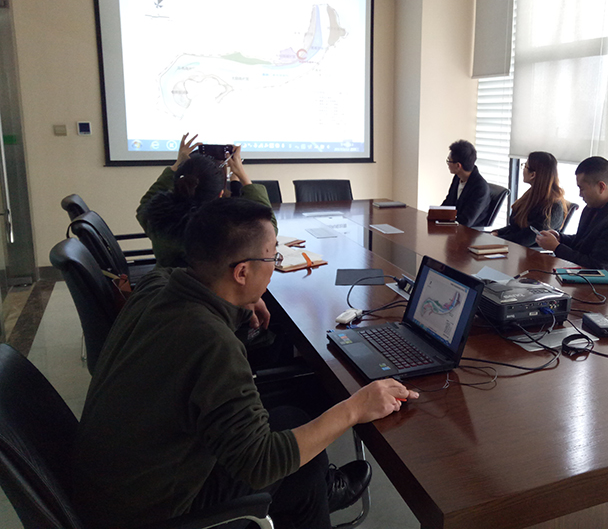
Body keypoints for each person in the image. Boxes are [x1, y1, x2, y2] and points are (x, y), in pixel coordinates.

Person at [71, 197, 418, 529]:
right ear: (241, 272)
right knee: (300, 461)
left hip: (109, 484)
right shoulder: (212, 343)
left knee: (292, 421)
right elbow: (262, 463)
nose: (274, 265)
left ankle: (317, 493)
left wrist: (241, 301)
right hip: (155, 513)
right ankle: (317, 493)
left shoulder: (156, 285)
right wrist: (355, 408)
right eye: (273, 257)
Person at [137, 133, 276, 267]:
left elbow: (147, 202)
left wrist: (177, 163)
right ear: (220, 194)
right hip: (212, 285)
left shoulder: (157, 217)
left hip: (166, 282)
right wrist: (241, 174)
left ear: (179, 184)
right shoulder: (225, 229)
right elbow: (267, 230)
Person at [536, 156, 608, 280]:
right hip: (581, 277)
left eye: (582, 188)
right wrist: (560, 238)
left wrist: (556, 247)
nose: (580, 194)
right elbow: (584, 241)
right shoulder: (595, 205)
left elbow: (596, 268)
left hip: (606, 285)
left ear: (601, 187)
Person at [493, 151, 568, 247]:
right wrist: (497, 233)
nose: (523, 170)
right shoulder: (531, 195)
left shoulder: (553, 207)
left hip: (527, 253)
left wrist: (498, 239)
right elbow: (515, 227)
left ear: (533, 175)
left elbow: (526, 238)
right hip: (514, 248)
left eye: (525, 166)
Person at [442, 140, 491, 227]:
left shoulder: (480, 188)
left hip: (470, 233)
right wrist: (435, 215)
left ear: (458, 165)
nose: (448, 164)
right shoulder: (457, 177)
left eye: (449, 161)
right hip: (453, 228)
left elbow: (466, 221)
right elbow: (448, 203)